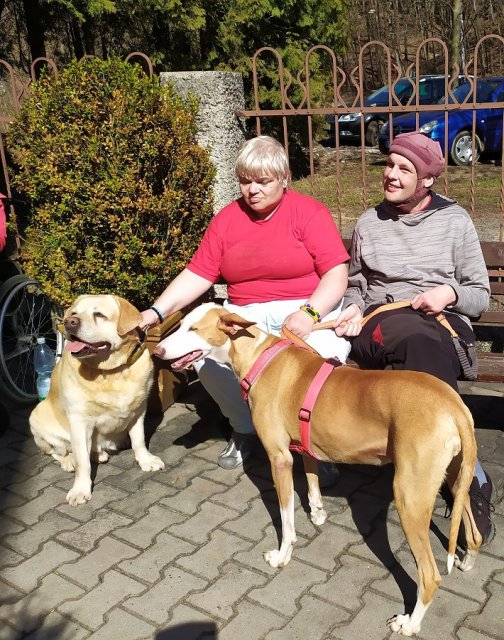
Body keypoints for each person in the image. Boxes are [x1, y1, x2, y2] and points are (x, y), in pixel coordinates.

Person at [142, 135, 351, 472]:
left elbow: (336, 275)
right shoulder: (227, 220)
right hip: (245, 313)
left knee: (319, 363)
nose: (252, 190)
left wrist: (309, 313)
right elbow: (198, 273)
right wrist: (156, 311)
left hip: (306, 308)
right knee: (208, 358)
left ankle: (315, 441)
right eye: (244, 181)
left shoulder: (309, 213)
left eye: (263, 181)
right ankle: (245, 427)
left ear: (284, 178)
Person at [333, 131, 495, 544]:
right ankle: (464, 472)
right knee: (414, 338)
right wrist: (351, 307)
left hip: (441, 325)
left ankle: (433, 461)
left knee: (422, 342)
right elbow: (356, 285)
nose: (391, 174)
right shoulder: (369, 222)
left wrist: (449, 294)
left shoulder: (454, 221)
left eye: (404, 169)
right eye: (390, 164)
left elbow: (479, 295)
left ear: (427, 180)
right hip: (379, 325)